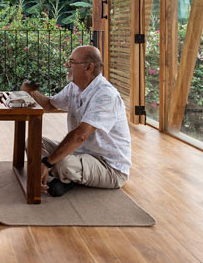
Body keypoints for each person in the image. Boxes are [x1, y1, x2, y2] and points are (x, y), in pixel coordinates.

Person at [20, 45, 131, 197]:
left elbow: (80, 135)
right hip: (79, 155)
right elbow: (49, 105)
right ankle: (66, 178)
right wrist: (30, 90)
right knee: (33, 143)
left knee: (61, 163)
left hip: (109, 167)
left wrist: (46, 163)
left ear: (88, 67)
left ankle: (61, 176)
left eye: (71, 61)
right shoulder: (74, 87)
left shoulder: (105, 95)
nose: (66, 65)